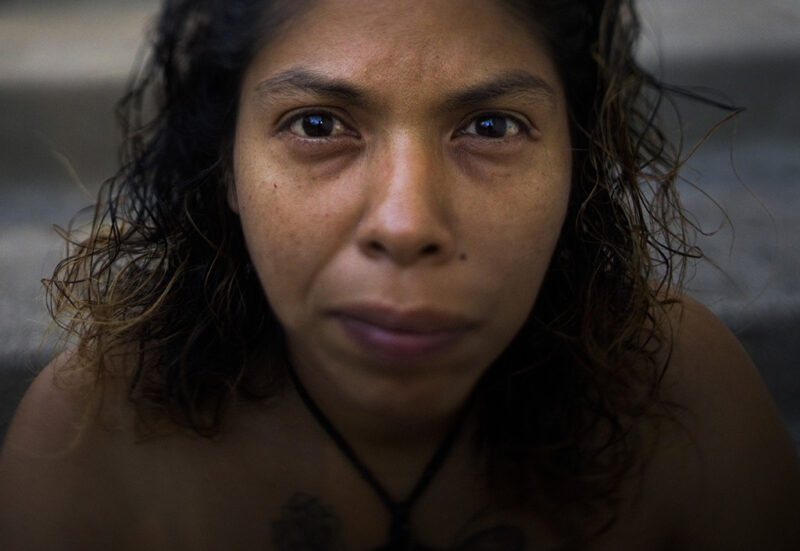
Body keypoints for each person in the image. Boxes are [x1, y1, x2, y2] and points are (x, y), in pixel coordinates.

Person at [1, 0, 798, 549]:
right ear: (227, 169)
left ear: (575, 165)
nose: (407, 222)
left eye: (492, 126)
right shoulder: (91, 446)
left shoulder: (685, 401)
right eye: (319, 124)